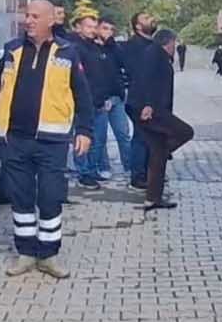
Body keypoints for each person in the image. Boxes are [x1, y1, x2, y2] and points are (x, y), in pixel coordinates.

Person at [0, 0, 93, 278]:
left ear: (51, 20)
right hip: (14, 139)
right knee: (21, 198)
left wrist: (85, 130)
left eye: (35, 16)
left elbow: (82, 95)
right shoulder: (13, 50)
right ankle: (26, 253)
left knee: (50, 197)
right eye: (27, 15)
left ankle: (49, 255)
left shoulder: (68, 52)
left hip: (52, 141)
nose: (29, 20)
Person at [129, 27, 194, 211]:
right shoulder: (153, 54)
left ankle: (153, 198)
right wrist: (147, 105)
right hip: (150, 109)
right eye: (174, 43)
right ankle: (162, 152)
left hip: (154, 108)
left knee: (158, 151)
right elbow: (145, 79)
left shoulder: (156, 54)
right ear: (168, 42)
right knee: (186, 132)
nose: (176, 46)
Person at [71, 13, 130, 189]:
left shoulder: (95, 47)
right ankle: (84, 173)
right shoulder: (75, 48)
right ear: (78, 27)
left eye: (93, 26)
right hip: (85, 102)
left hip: (100, 101)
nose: (91, 30)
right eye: (88, 26)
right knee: (82, 138)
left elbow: (104, 74)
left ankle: (92, 170)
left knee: (99, 140)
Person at [118, 11, 160, 189]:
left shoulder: (152, 44)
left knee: (151, 137)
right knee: (141, 138)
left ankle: (150, 173)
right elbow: (140, 76)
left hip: (152, 100)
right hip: (140, 100)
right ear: (137, 26)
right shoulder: (133, 46)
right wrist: (147, 103)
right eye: (146, 18)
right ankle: (138, 176)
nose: (151, 18)